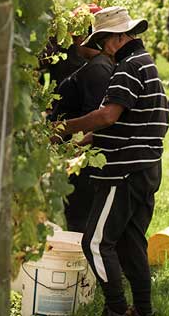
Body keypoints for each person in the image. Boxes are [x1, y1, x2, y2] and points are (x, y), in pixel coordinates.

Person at [60, 6, 168, 316]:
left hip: (124, 172)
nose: (102, 48)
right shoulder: (144, 63)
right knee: (130, 243)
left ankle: (117, 309)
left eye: (105, 41)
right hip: (146, 168)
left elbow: (108, 115)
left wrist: (64, 127)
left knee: (94, 243)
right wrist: (85, 141)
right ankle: (144, 310)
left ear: (118, 37)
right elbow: (133, 117)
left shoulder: (127, 67)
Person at [51, 17, 116, 233]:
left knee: (80, 210)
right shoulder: (96, 66)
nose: (72, 40)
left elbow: (95, 115)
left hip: (84, 154)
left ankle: (80, 256)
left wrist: (70, 140)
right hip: (80, 151)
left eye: (76, 35)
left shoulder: (97, 70)